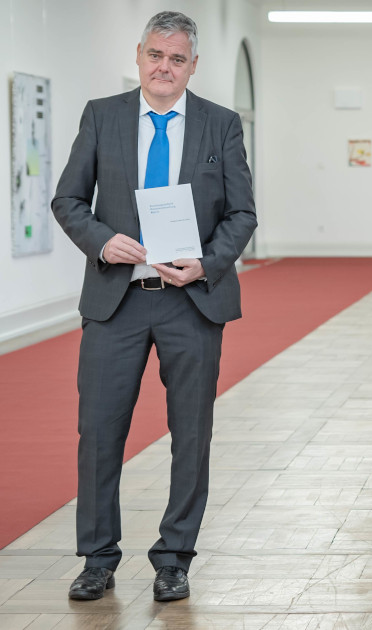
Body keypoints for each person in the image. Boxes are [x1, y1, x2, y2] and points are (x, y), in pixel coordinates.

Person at [52, 11, 256, 602]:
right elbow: (68, 199)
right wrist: (100, 240)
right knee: (98, 432)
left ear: (193, 65)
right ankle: (97, 557)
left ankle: (174, 557)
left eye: (177, 59)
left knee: (190, 434)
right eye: (155, 56)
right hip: (116, 301)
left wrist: (208, 263)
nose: (164, 68)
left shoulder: (220, 125)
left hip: (191, 302)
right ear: (139, 55)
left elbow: (242, 212)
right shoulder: (103, 115)